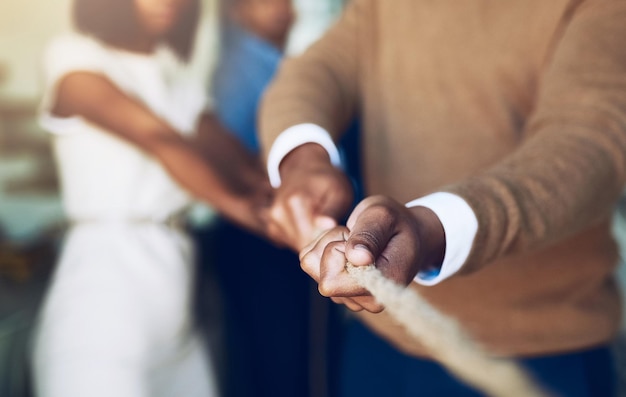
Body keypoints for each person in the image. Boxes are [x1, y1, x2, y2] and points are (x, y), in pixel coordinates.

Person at [258, 0, 626, 396]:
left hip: (538, 351)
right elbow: (323, 67)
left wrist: (432, 228)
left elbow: (588, 145)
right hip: (381, 341)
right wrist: (303, 160)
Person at [32, 0, 271, 396]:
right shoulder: (73, 55)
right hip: (105, 293)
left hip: (175, 300)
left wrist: (286, 195)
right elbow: (162, 140)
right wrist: (253, 215)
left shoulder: (173, 69)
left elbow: (221, 148)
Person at [202, 1, 342, 396]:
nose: (282, 8)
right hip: (260, 232)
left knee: (300, 353)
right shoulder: (235, 70)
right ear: (236, 11)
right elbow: (223, 157)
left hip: (290, 223)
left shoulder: (287, 62)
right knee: (275, 360)